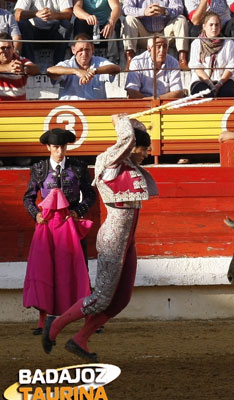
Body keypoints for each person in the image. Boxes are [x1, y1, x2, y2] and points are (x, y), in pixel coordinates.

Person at [42, 114, 158, 362]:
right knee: (102, 298)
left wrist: (133, 122)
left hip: (128, 239)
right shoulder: (110, 161)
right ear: (131, 147)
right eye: (144, 149)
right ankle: (55, 325)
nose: (146, 154)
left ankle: (80, 338)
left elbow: (132, 133)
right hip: (114, 237)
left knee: (121, 298)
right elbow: (127, 136)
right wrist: (121, 119)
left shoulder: (126, 163)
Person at [23, 128, 96, 335]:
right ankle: (43, 319)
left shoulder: (79, 167)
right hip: (47, 226)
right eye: (56, 147)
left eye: (63, 147)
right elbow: (28, 198)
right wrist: (35, 215)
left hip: (70, 226)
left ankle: (88, 318)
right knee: (46, 270)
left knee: (80, 268)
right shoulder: (39, 168)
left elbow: (90, 196)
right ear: (48, 147)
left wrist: (76, 211)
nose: (60, 151)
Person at [185, 0, 234, 66]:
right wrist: (204, 1)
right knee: (194, 29)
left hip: (223, 28)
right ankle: (198, 61)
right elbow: (195, 20)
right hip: (204, 30)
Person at [46, 33, 121, 100]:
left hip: (95, 110)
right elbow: (50, 71)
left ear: (92, 49)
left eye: (87, 49)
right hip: (70, 110)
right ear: (73, 50)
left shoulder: (100, 62)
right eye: (80, 50)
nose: (84, 53)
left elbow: (116, 68)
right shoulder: (68, 64)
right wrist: (76, 71)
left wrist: (95, 71)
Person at [122, 0, 189, 71]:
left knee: (181, 19)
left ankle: (182, 59)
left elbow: (179, 8)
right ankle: (130, 60)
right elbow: (125, 9)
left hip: (164, 33)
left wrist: (165, 11)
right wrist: (143, 12)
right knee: (129, 19)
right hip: (143, 34)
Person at [189, 11, 234, 97]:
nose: (214, 28)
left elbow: (231, 66)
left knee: (227, 93)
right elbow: (196, 67)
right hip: (202, 80)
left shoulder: (229, 43)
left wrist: (219, 84)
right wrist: (210, 84)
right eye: (211, 25)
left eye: (217, 25)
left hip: (224, 81)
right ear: (204, 26)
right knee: (205, 93)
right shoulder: (196, 43)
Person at [14, 0, 73, 65]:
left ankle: (58, 65)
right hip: (33, 32)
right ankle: (29, 65)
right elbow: (17, 14)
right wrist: (36, 13)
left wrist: (54, 15)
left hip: (55, 32)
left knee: (66, 24)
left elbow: (69, 13)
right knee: (22, 23)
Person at [72, 0, 122, 64]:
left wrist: (111, 21)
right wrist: (87, 16)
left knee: (115, 22)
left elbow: (116, 7)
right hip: (89, 25)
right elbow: (76, 8)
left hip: (105, 26)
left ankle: (113, 58)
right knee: (79, 22)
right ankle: (79, 54)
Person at [0, 32, 39, 100]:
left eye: (8, 47)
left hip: (19, 106)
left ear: (13, 48)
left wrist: (23, 68)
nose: (6, 51)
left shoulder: (20, 60)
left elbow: (36, 70)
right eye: (2, 48)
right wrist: (7, 68)